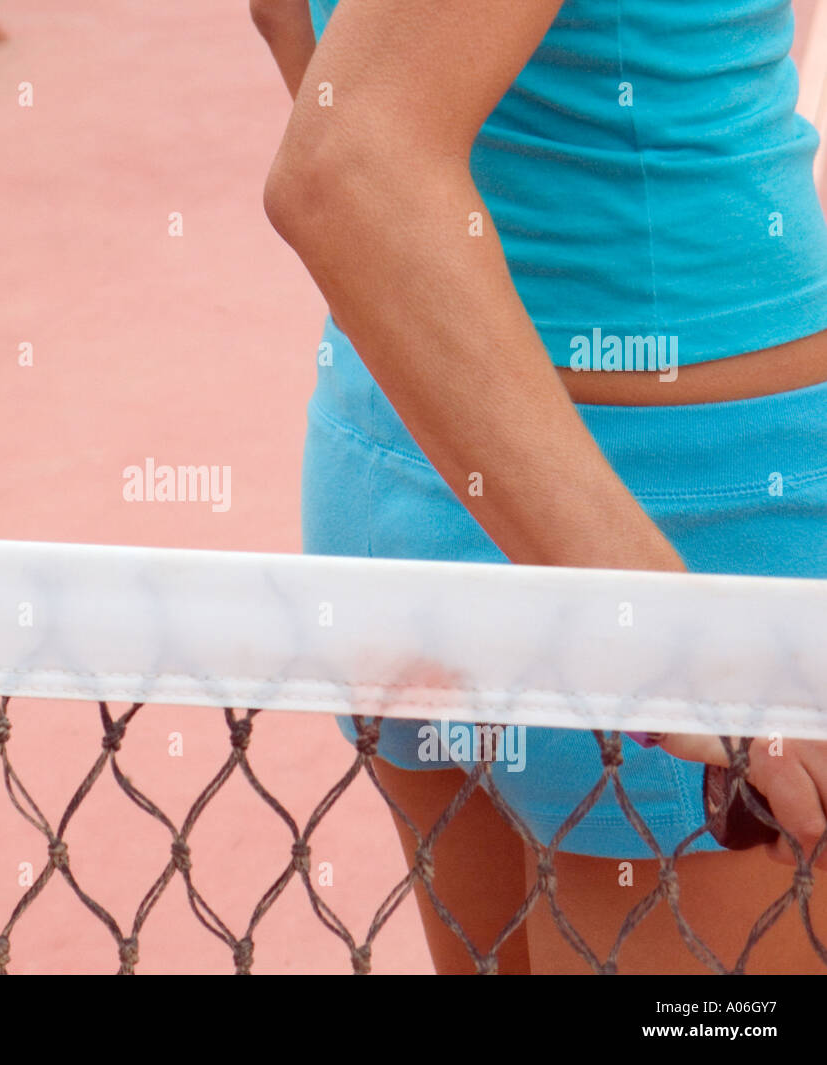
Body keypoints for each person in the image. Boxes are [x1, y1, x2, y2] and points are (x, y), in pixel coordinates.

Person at [251, 0, 827, 973]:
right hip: (698, 521)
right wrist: (671, 632)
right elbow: (345, 171)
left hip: (401, 458)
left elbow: (286, 18)